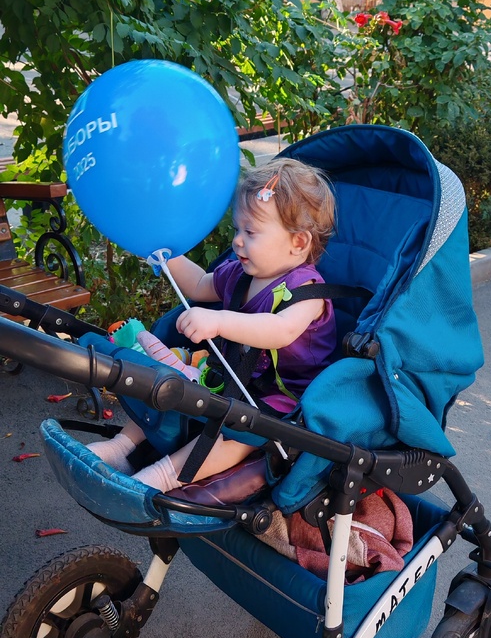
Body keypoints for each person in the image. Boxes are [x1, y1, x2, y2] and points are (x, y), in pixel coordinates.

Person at [88, 158, 337, 493]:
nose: (237, 241)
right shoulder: (240, 273)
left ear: (298, 243)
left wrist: (219, 320)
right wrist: (164, 253)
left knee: (237, 435)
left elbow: (280, 330)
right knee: (166, 382)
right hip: (229, 376)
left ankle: (162, 477)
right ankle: (122, 447)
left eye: (250, 232)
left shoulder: (306, 292)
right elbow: (198, 285)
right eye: (237, 229)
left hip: (282, 399)